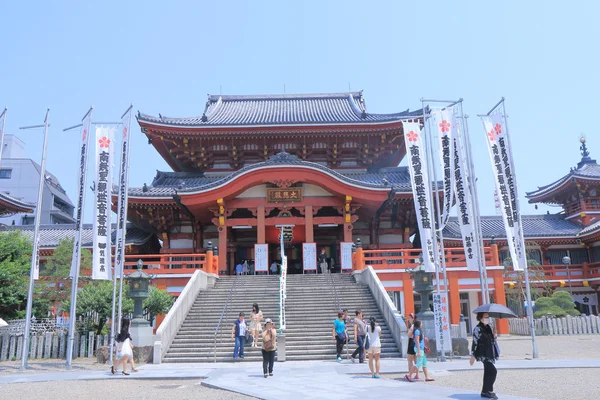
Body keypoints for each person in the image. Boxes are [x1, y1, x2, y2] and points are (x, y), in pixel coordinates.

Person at [470, 312, 500, 399]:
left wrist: (494, 335)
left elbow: (492, 340)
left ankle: (485, 391)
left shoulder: (489, 327)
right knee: (492, 371)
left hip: (490, 352)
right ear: (480, 318)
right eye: (485, 317)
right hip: (483, 353)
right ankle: (488, 390)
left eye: (488, 317)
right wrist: (473, 355)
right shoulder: (477, 329)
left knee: (487, 372)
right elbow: (475, 342)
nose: (487, 318)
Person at [406, 313, 419, 379]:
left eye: (410, 318)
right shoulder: (418, 326)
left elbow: (408, 334)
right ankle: (417, 374)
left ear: (413, 318)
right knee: (415, 359)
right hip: (416, 343)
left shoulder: (412, 326)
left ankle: (410, 374)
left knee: (410, 360)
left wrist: (408, 331)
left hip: (411, 342)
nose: (409, 319)